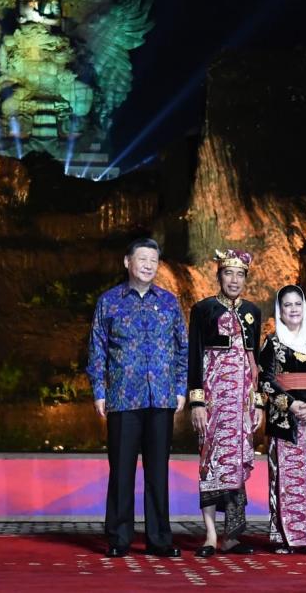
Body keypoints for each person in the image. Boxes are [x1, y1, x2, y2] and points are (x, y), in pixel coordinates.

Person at [86, 238, 187, 558]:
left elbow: (182, 348)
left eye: (153, 260)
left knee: (158, 472)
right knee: (122, 471)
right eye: (142, 259)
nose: (148, 265)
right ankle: (119, 537)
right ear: (127, 262)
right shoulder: (109, 301)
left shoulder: (169, 302)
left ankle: (160, 539)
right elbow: (97, 349)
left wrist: (181, 388)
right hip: (122, 397)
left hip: (161, 397)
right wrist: (99, 391)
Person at [188, 248, 263, 557]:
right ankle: (209, 535)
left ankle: (232, 536)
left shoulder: (253, 312)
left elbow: (256, 362)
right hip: (213, 400)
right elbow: (194, 356)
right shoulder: (203, 309)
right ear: (219, 276)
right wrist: (197, 402)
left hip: (241, 403)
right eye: (228, 273)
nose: (234, 280)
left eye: (240, 274)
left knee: (235, 466)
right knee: (210, 462)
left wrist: (258, 402)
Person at [259, 285, 306, 555]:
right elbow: (265, 380)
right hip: (283, 422)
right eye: (287, 305)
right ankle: (284, 538)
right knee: (284, 479)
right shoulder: (272, 342)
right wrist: (291, 404)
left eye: (297, 304)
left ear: (304, 308)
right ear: (279, 311)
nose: (293, 309)